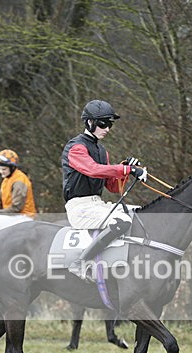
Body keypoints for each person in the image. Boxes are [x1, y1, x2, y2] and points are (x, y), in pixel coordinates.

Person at [61, 99, 147, 279]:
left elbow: (113, 186)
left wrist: (125, 171)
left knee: (137, 213)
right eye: (103, 123)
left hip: (97, 204)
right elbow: (92, 170)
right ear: (89, 122)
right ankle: (80, 262)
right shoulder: (76, 148)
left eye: (110, 124)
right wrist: (126, 169)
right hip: (80, 208)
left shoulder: (102, 151)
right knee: (122, 221)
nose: (107, 129)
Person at [0, 149, 37, 233]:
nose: (1, 172)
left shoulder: (19, 181)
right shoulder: (7, 179)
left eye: (3, 169)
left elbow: (17, 207)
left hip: (23, 216)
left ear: (12, 168)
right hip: (12, 215)